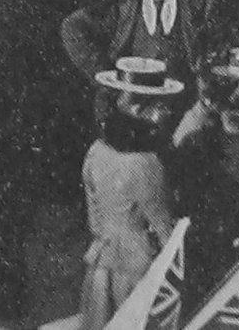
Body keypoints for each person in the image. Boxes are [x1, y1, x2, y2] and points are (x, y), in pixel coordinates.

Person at [78, 59, 181, 330]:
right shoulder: (146, 163)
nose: (167, 112)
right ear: (138, 109)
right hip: (137, 270)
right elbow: (167, 234)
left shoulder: (96, 150)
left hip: (101, 264)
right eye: (160, 106)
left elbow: (94, 219)